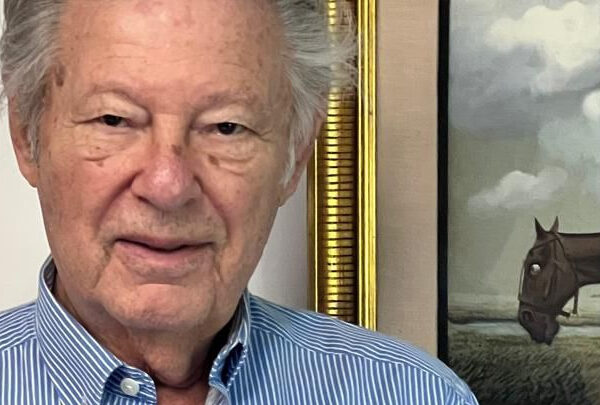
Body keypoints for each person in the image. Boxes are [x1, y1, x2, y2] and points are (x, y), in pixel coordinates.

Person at [0, 0, 478, 404]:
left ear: (296, 155)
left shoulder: (417, 394)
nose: (168, 187)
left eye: (226, 127)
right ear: (26, 136)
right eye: (113, 120)